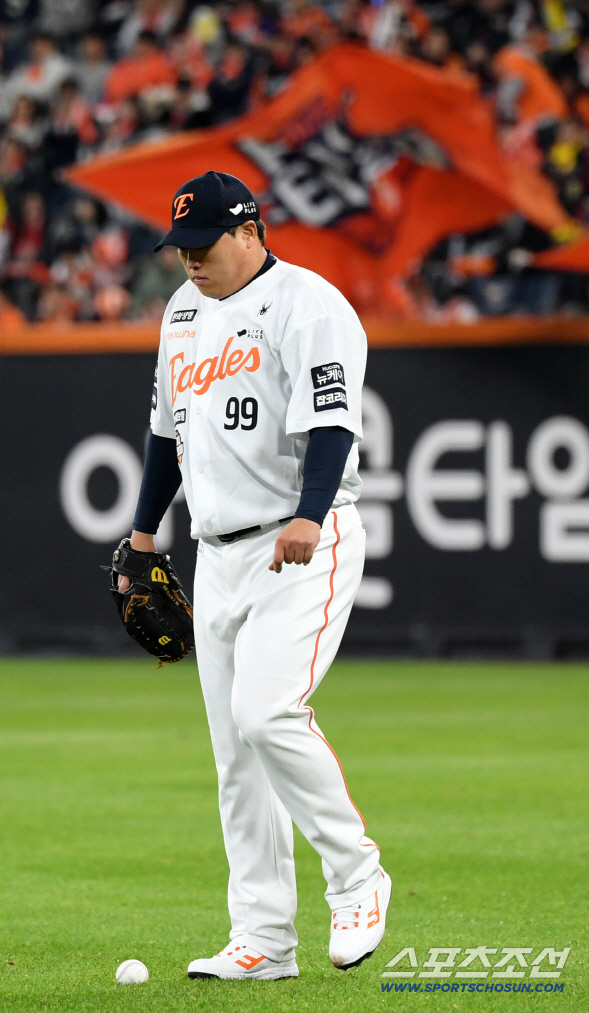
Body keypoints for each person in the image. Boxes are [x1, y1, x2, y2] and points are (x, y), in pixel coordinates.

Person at [119, 170, 390, 980]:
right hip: (219, 551)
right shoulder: (182, 311)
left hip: (302, 540)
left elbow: (334, 422)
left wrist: (310, 512)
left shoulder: (309, 306)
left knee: (267, 712)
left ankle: (358, 876)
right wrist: (142, 535)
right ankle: (264, 937)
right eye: (181, 246)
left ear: (249, 231)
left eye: (203, 244)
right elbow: (166, 435)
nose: (190, 259)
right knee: (235, 753)